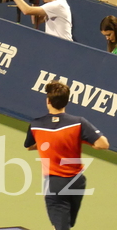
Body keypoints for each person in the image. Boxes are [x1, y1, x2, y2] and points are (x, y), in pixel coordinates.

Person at [25, 81, 109, 230]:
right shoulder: (78, 123)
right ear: (66, 101)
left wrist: (49, 141)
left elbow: (29, 146)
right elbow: (103, 144)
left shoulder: (36, 125)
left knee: (61, 226)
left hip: (55, 184)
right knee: (66, 224)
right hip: (77, 182)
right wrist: (81, 140)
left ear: (48, 101)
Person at [0, 0, 72, 41]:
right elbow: (36, 21)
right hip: (56, 46)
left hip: (63, 46)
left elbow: (26, 11)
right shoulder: (54, 5)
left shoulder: (57, 5)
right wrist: (34, 1)